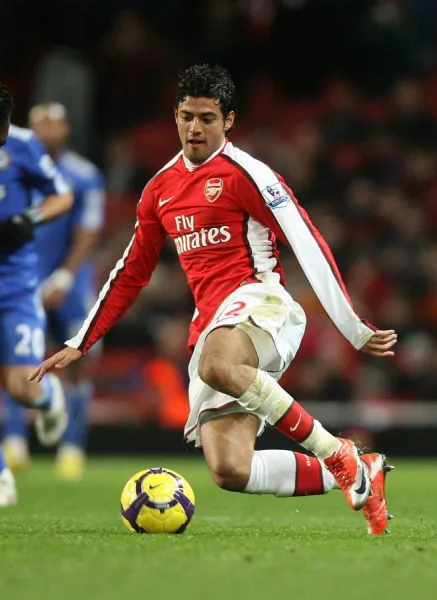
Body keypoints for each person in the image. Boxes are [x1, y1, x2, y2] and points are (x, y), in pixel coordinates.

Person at [30, 64, 397, 534]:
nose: (195, 127)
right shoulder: (159, 189)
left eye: (207, 117)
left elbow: (306, 239)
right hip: (213, 324)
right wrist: (83, 340)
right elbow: (131, 271)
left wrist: (352, 326)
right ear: (175, 116)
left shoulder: (249, 173)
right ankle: (360, 469)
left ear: (229, 121)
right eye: (187, 116)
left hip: (262, 301)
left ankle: (335, 452)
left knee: (216, 362)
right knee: (230, 469)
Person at [3, 103, 105, 481]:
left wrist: (64, 276)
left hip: (69, 277)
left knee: (77, 359)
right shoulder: (12, 162)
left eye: (53, 123)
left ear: (66, 129)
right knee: (12, 354)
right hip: (23, 275)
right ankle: (14, 441)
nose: (46, 130)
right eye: (38, 123)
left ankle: (72, 445)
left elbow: (88, 230)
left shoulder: (84, 175)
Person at [0, 83, 73, 505]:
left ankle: (49, 399)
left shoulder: (25, 145)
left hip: (15, 286)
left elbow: (61, 196)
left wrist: (28, 218)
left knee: (20, 386)